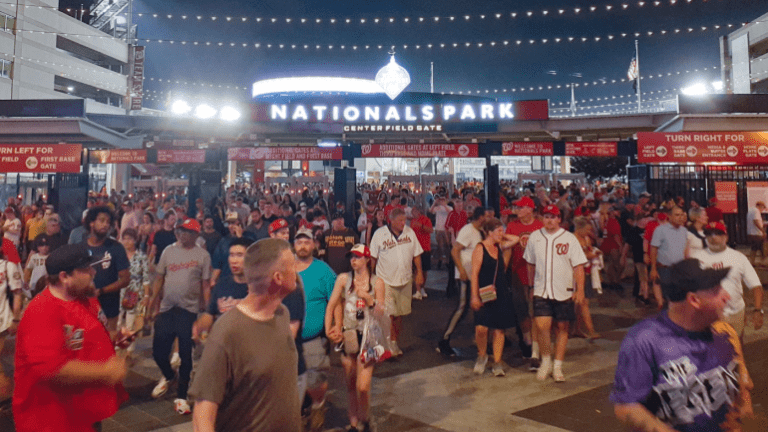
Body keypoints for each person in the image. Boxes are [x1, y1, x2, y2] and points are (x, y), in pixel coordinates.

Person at [611, 258, 753, 432]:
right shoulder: (645, 341)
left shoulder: (724, 334)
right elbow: (626, 406)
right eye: (716, 290)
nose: (727, 296)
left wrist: (743, 405)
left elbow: (741, 383)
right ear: (694, 300)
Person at [12, 244, 129, 431]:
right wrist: (106, 372)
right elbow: (54, 369)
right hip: (53, 419)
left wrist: (116, 338)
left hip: (83, 411)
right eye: (86, 269)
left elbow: (86, 338)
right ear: (64, 277)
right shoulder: (42, 312)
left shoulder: (85, 297)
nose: (93, 272)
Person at [189, 238, 301, 432]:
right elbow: (202, 415)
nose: (296, 271)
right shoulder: (227, 332)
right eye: (292, 265)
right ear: (278, 277)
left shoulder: (282, 314)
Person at [149, 218, 212, 415]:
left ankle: (182, 396)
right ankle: (169, 376)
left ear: (196, 235)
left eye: (187, 232)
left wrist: (207, 311)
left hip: (189, 310)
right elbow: (160, 278)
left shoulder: (202, 255)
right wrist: (152, 302)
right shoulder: (168, 251)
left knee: (186, 355)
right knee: (158, 352)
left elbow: (206, 284)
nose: (183, 235)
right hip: (167, 308)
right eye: (180, 231)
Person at [523, 205, 587, 382]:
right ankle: (545, 361)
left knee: (562, 328)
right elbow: (530, 263)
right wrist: (531, 286)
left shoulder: (569, 238)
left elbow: (578, 265)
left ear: (559, 219)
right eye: (546, 216)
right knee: (542, 326)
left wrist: (580, 289)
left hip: (563, 290)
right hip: (541, 289)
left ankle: (557, 365)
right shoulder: (535, 237)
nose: (549, 220)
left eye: (553, 216)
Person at [325, 244, 384, 432]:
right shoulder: (343, 279)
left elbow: (382, 313)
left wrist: (369, 299)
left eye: (358, 257)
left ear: (367, 259)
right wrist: (330, 328)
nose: (353, 260)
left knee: (363, 386)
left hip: (369, 337)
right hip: (349, 335)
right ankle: (354, 423)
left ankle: (365, 418)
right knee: (351, 384)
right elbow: (332, 304)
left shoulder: (377, 282)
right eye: (351, 256)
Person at [294, 226, 337, 432]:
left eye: (306, 242)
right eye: (299, 242)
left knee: (315, 382)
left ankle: (318, 407)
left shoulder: (324, 271)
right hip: (287, 339)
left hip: (313, 338)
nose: (303, 246)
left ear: (313, 245)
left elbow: (335, 301)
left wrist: (333, 328)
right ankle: (298, 416)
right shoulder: (285, 268)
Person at [692, 222, 763, 338]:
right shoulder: (696, 258)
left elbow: (756, 285)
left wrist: (758, 311)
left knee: (737, 347)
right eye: (709, 234)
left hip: (736, 313)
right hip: (710, 315)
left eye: (718, 234)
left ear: (726, 237)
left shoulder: (738, 257)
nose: (713, 238)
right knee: (712, 350)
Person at [369, 208, 424, 357]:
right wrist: (370, 277)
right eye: (400, 221)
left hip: (405, 279)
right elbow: (373, 257)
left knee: (400, 314)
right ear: (390, 221)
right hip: (385, 280)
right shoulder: (379, 234)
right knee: (389, 315)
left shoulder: (409, 233)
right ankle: (389, 344)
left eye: (404, 220)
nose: (403, 223)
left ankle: (394, 341)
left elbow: (416, 254)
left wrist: (419, 273)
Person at [469, 218, 519, 377]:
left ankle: (497, 361)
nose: (502, 234)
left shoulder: (500, 247)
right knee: (481, 328)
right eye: (498, 231)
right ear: (488, 232)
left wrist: (501, 236)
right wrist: (474, 296)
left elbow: (516, 239)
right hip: (484, 292)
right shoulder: (480, 248)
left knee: (499, 329)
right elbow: (474, 274)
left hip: (500, 291)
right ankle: (482, 355)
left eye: (502, 230)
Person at [438, 206, 487, 356]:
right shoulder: (468, 230)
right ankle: (444, 340)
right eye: (487, 216)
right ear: (480, 218)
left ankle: (481, 340)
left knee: (480, 307)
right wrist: (461, 270)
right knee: (462, 307)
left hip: (477, 276)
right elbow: (455, 250)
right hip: (466, 276)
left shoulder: (481, 231)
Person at [505, 196, 542, 366]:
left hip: (538, 275)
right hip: (518, 274)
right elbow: (508, 250)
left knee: (536, 309)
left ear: (529, 209)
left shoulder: (540, 226)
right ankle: (527, 340)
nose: (518, 210)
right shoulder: (513, 226)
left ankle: (535, 343)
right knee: (521, 308)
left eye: (521, 208)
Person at [193, 237, 254, 340]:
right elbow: (209, 314)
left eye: (239, 255)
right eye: (231, 255)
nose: (234, 260)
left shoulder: (261, 287)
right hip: (224, 345)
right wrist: (199, 327)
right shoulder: (222, 284)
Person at [85, 206, 130, 332]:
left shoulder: (116, 247)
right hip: (84, 305)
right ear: (91, 222)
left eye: (108, 222)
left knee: (108, 343)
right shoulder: (80, 247)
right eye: (102, 220)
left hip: (109, 306)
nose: (105, 225)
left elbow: (125, 279)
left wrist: (102, 291)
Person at [118, 228, 151, 357]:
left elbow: (146, 277)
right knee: (117, 321)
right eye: (124, 238)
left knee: (130, 322)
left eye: (129, 239)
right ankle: (117, 346)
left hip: (133, 291)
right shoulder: (119, 254)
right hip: (118, 290)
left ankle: (129, 350)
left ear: (135, 240)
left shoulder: (141, 256)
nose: (126, 241)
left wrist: (147, 295)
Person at [649, 206, 688, 308]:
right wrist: (653, 268)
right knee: (668, 298)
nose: (680, 217)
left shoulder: (684, 230)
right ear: (669, 216)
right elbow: (653, 249)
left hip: (680, 270)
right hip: (665, 269)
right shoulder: (660, 230)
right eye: (677, 215)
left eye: (681, 215)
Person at [409, 206, 432, 300]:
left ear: (418, 211)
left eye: (414, 211)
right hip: (415, 248)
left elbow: (431, 230)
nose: (412, 214)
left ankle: (422, 288)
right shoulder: (412, 222)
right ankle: (418, 290)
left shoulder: (426, 220)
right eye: (412, 212)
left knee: (425, 270)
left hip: (425, 247)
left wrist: (422, 226)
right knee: (416, 270)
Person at [430, 195, 451, 270]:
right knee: (440, 246)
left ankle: (448, 261)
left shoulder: (449, 207)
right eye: (441, 200)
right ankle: (440, 260)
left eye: (443, 200)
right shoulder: (437, 208)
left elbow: (450, 212)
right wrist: (435, 203)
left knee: (447, 245)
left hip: (446, 229)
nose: (442, 201)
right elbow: (431, 211)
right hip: (438, 229)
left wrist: (444, 205)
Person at [746, 201, 766, 266]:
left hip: (751, 233)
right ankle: (763, 262)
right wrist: (763, 230)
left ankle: (751, 262)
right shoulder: (756, 211)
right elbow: (756, 221)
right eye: (763, 208)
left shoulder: (751, 210)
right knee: (762, 248)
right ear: (760, 206)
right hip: (756, 234)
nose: (762, 210)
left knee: (754, 248)